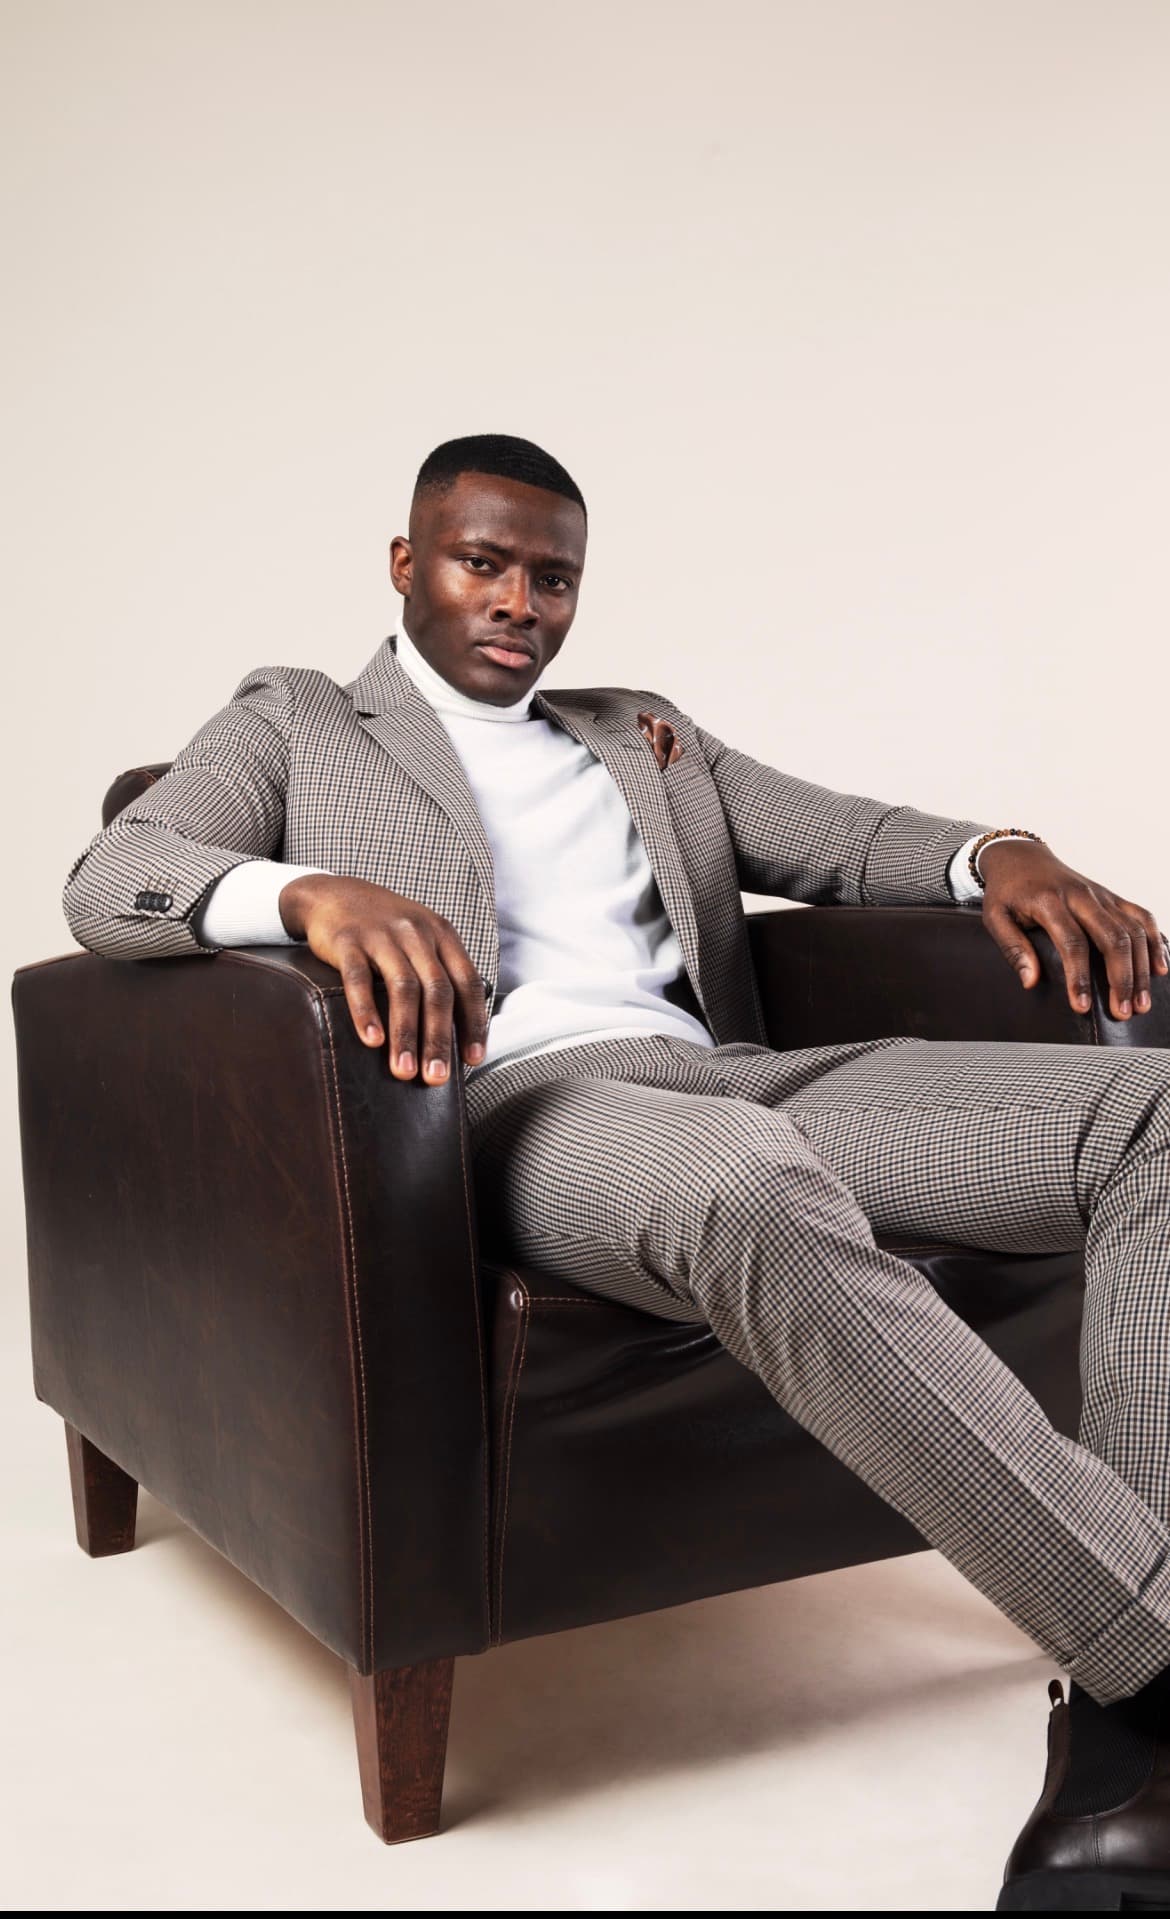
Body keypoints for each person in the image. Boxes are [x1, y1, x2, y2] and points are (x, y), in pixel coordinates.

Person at [64, 433, 1170, 1911]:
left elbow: (842, 840)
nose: (517, 602)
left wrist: (1005, 853)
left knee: (1151, 1113)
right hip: (527, 1111)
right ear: (406, 565)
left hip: (734, 1077)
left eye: (552, 578)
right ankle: (1151, 1635)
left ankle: (1128, 1717)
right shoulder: (298, 722)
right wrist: (306, 894)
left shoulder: (641, 733)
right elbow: (113, 878)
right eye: (482, 563)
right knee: (742, 1183)